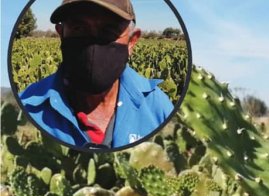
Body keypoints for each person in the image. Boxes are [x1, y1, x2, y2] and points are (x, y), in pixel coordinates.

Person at [19, 0, 174, 149]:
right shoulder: (28, 106)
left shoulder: (158, 108)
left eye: (109, 31)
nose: (93, 45)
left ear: (131, 42)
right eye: (79, 28)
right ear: (61, 34)